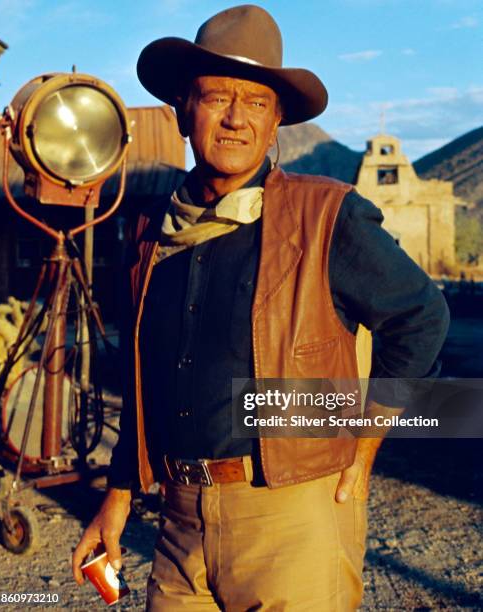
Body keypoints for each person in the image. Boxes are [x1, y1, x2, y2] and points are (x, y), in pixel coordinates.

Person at [72, 5, 449, 610]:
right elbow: (144, 382)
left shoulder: (326, 215)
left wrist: (364, 445)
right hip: (176, 526)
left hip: (291, 519)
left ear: (276, 124)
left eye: (255, 103)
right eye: (217, 96)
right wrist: (117, 500)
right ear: (181, 111)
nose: (235, 119)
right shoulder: (151, 232)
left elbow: (422, 318)